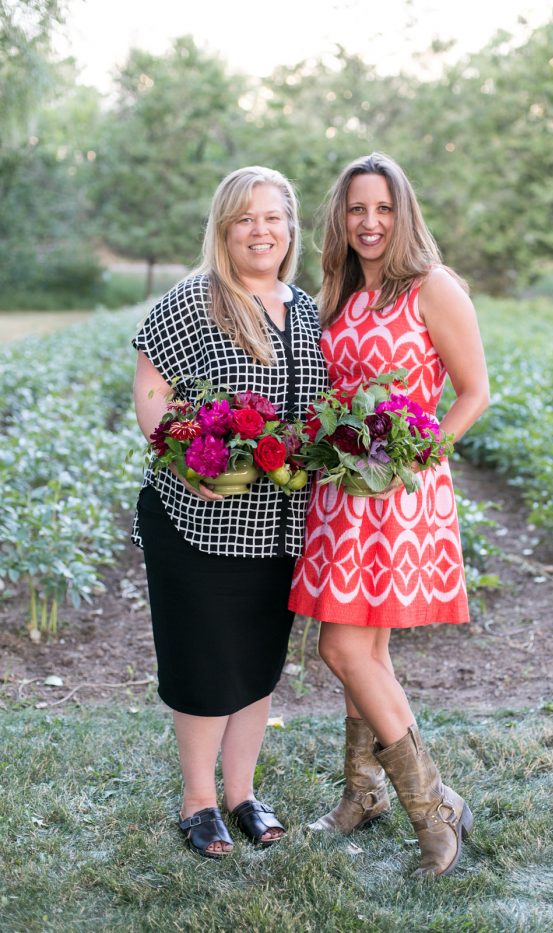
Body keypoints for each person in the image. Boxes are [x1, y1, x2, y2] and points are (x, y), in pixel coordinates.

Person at [289, 152, 490, 877]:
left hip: (399, 493)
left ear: (402, 213)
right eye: (355, 209)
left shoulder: (432, 288)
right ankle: (363, 790)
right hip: (342, 493)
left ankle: (433, 809)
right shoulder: (338, 292)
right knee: (363, 653)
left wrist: (416, 454)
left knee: (343, 650)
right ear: (340, 218)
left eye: (382, 208)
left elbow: (473, 393)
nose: (369, 223)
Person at [132, 166, 329, 858]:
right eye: (245, 218)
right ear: (223, 228)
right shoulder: (195, 300)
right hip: (199, 521)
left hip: (278, 526)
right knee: (204, 664)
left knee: (255, 665)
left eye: (272, 217)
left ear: (290, 228)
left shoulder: (304, 308)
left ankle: (242, 792)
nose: (260, 230)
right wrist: (184, 456)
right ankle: (198, 801)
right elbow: (151, 388)